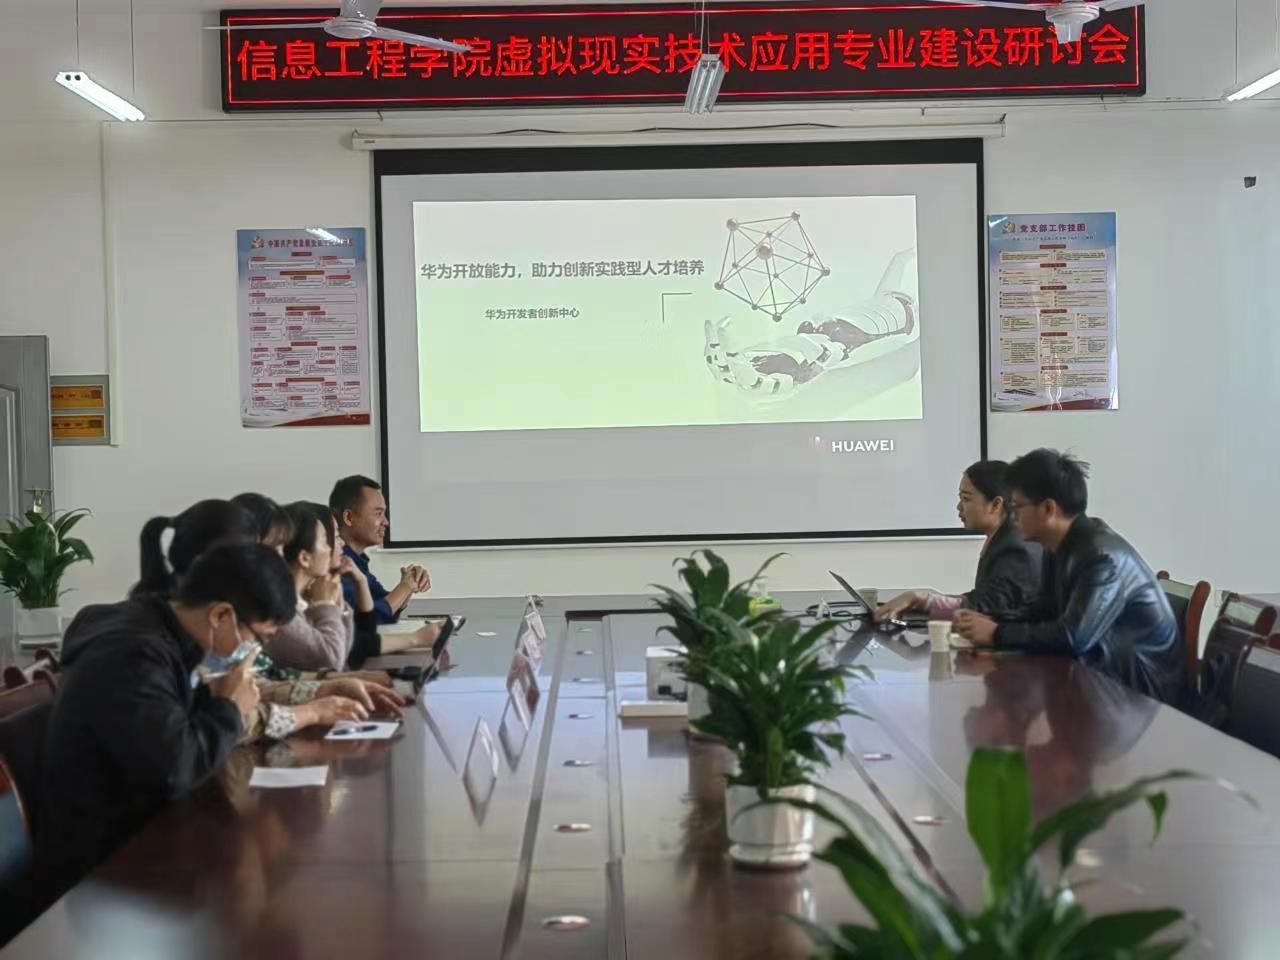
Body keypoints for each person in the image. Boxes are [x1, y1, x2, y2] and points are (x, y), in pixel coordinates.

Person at [36, 542, 295, 903]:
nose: (255, 652)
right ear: (221, 615)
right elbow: (176, 767)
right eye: (259, 638)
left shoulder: (163, 633)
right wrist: (228, 707)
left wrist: (219, 700)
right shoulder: (133, 655)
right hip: (107, 868)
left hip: (142, 835)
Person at [131, 498, 405, 743]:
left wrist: (326, 689)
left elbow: (258, 686)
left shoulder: (203, 625)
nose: (281, 561)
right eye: (274, 550)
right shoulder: (155, 648)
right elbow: (197, 737)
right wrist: (310, 709)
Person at [953, 449, 1185, 705]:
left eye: (1017, 506)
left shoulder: (1100, 557)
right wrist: (991, 621)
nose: (1011, 515)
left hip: (1140, 694)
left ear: (1048, 509)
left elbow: (1073, 637)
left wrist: (997, 634)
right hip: (1102, 677)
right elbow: (1044, 611)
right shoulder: (1060, 545)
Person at [876, 460, 1042, 624]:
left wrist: (925, 601)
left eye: (966, 498)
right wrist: (922, 601)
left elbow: (987, 608)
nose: (959, 507)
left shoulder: (1015, 549)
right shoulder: (1005, 538)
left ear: (996, 504)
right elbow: (982, 598)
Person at [329, 475, 429, 625]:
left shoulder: (357, 560)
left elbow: (384, 604)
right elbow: (369, 620)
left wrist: (410, 583)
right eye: (378, 514)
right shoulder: (337, 564)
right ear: (349, 517)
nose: (386, 522)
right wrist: (405, 587)